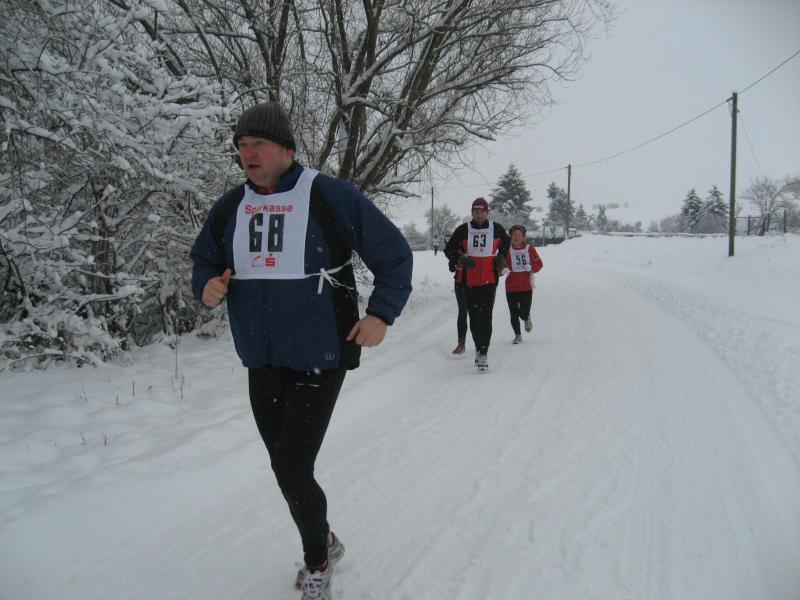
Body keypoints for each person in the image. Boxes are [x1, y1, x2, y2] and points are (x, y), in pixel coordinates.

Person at [190, 102, 413, 600]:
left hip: (321, 354)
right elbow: (204, 257)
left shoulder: (327, 195)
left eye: (258, 144)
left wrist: (380, 314)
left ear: (287, 150)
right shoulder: (230, 207)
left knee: (291, 467)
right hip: (261, 358)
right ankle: (326, 539)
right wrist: (205, 283)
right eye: (241, 145)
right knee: (286, 468)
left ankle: (318, 560)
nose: (248, 153)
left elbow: (394, 254)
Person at [443, 197, 510, 371]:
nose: (479, 215)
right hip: (469, 281)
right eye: (476, 211)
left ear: (487, 212)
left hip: (490, 280)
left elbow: (507, 243)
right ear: (472, 212)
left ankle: (483, 353)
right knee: (474, 317)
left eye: (482, 211)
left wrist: (500, 256)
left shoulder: (496, 228)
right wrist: (460, 259)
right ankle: (478, 347)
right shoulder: (463, 229)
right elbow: (449, 249)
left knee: (486, 317)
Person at [504, 224, 543, 344]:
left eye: (519, 235)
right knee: (513, 313)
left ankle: (526, 317)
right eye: (514, 235)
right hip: (511, 285)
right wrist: (502, 269)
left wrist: (531, 268)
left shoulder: (529, 249)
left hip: (526, 285)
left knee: (523, 312)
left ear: (523, 237)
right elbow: (500, 263)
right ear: (511, 236)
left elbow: (539, 263)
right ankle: (517, 335)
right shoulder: (507, 250)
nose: (516, 237)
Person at [448, 251, 469, 355]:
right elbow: (451, 263)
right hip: (460, 282)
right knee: (462, 312)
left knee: (476, 313)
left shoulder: (474, 245)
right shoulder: (457, 246)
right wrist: (452, 262)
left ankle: (481, 344)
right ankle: (461, 343)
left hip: (475, 282)